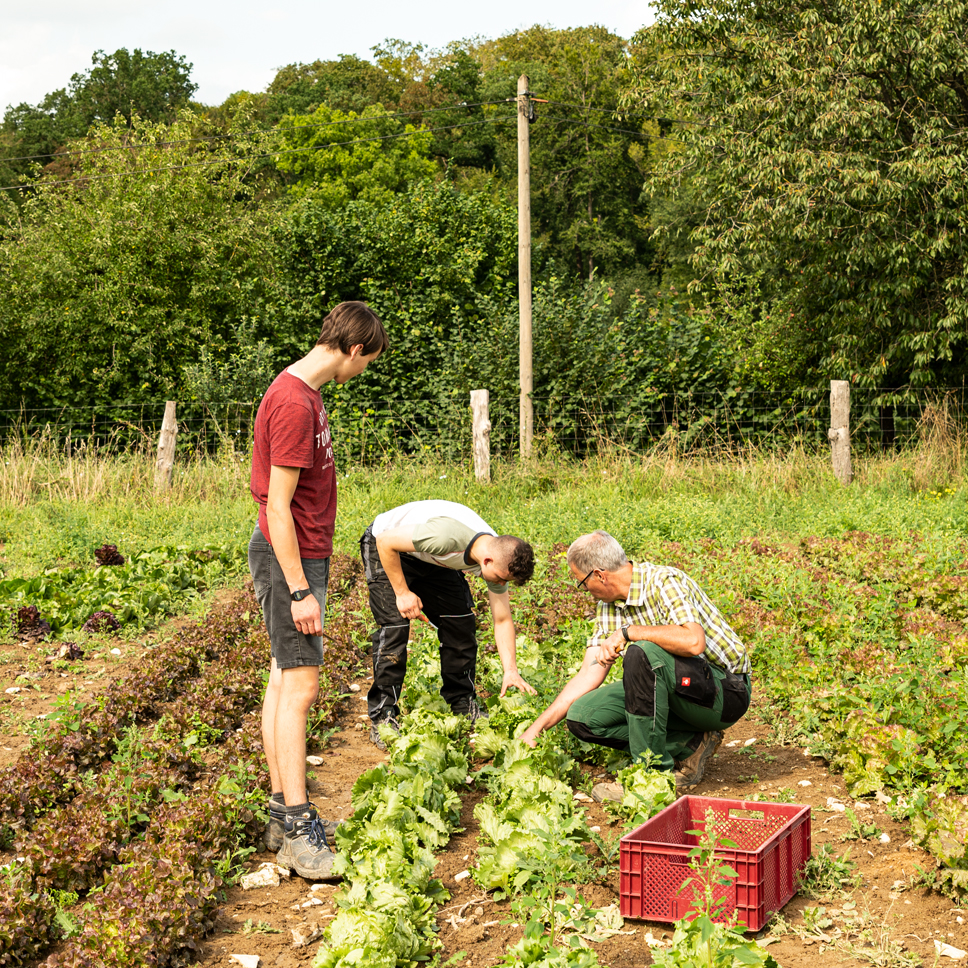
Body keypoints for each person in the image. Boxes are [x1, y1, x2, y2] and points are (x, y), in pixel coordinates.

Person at [248, 301, 388, 879]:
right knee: (301, 686)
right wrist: (301, 589)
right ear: (355, 350)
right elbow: (276, 508)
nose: (364, 371)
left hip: (298, 555)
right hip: (291, 559)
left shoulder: (305, 394)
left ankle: (282, 815)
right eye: (369, 362)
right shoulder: (292, 403)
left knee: (285, 678)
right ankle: (301, 827)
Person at [519, 530, 751, 795]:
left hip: (725, 693)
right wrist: (535, 729)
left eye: (581, 582)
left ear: (599, 575)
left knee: (641, 653)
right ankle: (692, 743)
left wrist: (630, 632)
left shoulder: (665, 582)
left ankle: (651, 780)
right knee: (582, 716)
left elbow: (693, 642)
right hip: (679, 694)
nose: (584, 590)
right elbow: (587, 675)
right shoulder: (608, 606)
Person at [360, 499, 537, 748]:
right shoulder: (445, 537)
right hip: (387, 546)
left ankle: (463, 703)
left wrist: (511, 670)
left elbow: (502, 618)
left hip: (429, 556)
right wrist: (402, 593)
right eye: (499, 578)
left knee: (460, 622)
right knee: (395, 628)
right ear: (486, 562)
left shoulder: (500, 557)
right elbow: (385, 542)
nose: (499, 583)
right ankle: (383, 716)